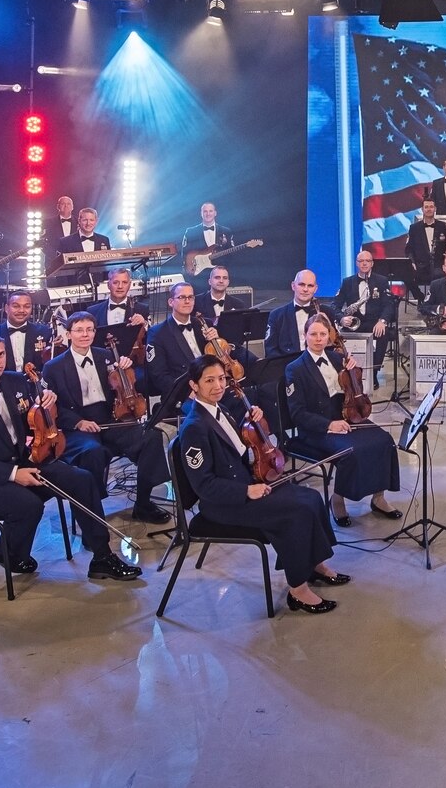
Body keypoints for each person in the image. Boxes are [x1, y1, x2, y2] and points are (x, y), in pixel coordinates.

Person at [0, 335, 141, 580]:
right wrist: (13, 475)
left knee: (82, 479)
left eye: (1, 354)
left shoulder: (15, 381)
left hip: (22, 461)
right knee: (28, 505)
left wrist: (46, 404)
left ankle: (102, 558)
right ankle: (6, 552)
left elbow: (33, 421)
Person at [173, 354, 347, 613]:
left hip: (247, 482)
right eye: (209, 380)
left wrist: (252, 423)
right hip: (224, 503)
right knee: (295, 512)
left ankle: (313, 564)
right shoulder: (194, 428)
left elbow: (240, 452)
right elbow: (204, 486)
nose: (218, 386)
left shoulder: (222, 410)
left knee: (309, 498)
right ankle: (298, 589)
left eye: (221, 378)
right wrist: (246, 490)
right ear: (194, 386)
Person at [39, 313, 172, 523]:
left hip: (111, 418)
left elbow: (122, 386)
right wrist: (78, 422)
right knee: (92, 452)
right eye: (79, 330)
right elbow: (54, 407)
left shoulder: (106, 356)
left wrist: (127, 370)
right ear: (68, 334)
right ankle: (91, 516)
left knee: (151, 437)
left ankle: (144, 504)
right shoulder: (53, 367)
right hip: (78, 425)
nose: (85, 334)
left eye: (90, 330)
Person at [283, 316, 403, 526]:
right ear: (305, 336)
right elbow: (297, 413)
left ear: (329, 336)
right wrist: (329, 425)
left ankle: (378, 498)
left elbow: (352, 390)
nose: (319, 339)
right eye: (313, 334)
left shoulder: (338, 358)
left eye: (323, 334)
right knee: (351, 452)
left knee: (384, 441)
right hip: (318, 427)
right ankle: (338, 499)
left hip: (347, 416)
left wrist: (354, 372)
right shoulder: (295, 368)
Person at [146, 282, 214, 418]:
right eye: (182, 297)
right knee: (206, 415)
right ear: (171, 302)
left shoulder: (205, 324)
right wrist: (186, 391)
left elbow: (217, 361)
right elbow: (159, 375)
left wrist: (217, 341)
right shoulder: (157, 332)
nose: (187, 301)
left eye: (191, 297)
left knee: (238, 404)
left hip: (211, 385)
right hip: (182, 394)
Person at [331, 248, 396, 372]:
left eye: (367, 261)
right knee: (339, 339)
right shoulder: (347, 282)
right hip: (354, 323)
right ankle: (351, 371)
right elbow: (334, 305)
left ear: (372, 263)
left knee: (383, 333)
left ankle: (374, 372)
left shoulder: (381, 281)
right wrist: (341, 318)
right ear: (356, 263)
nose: (364, 263)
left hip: (374, 322)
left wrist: (382, 321)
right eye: (361, 261)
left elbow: (389, 305)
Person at [0, 290, 56, 376]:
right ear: (6, 308)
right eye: (16, 306)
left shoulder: (44, 332)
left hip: (35, 386)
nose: (21, 310)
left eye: (27, 306)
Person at [264, 271, 329, 359]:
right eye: (301, 284)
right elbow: (271, 350)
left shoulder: (326, 312)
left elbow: (334, 345)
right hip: (285, 367)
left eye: (310, 286)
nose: (305, 289)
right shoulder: (276, 315)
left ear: (315, 288)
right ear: (293, 286)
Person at [90, 268, 147, 352]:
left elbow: (149, 340)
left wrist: (144, 325)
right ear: (108, 285)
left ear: (130, 284)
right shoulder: (93, 311)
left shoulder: (142, 309)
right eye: (115, 282)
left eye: (124, 282)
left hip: (133, 362)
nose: (120, 286)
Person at [55, 207, 111, 289]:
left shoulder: (104, 240)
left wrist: (106, 287)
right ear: (79, 221)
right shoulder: (65, 242)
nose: (88, 223)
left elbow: (107, 266)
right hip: (74, 289)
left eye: (91, 220)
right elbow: (60, 270)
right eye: (85, 220)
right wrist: (64, 291)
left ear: (96, 221)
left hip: (99, 288)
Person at [405, 199, 446, 297]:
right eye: (426, 207)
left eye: (431, 207)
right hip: (420, 266)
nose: (429, 209)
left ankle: (437, 302)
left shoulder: (443, 226)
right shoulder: (414, 228)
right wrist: (412, 262)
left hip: (438, 266)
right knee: (406, 275)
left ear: (435, 209)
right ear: (422, 209)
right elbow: (408, 249)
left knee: (444, 275)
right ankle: (421, 298)